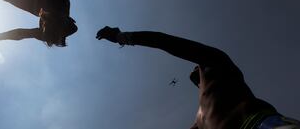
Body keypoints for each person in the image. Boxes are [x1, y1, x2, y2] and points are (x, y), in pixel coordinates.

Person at [96, 26, 300, 129]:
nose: (194, 68)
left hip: (258, 124)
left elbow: (164, 41)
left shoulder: (217, 62)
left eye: (196, 65)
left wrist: (121, 37)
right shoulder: (200, 118)